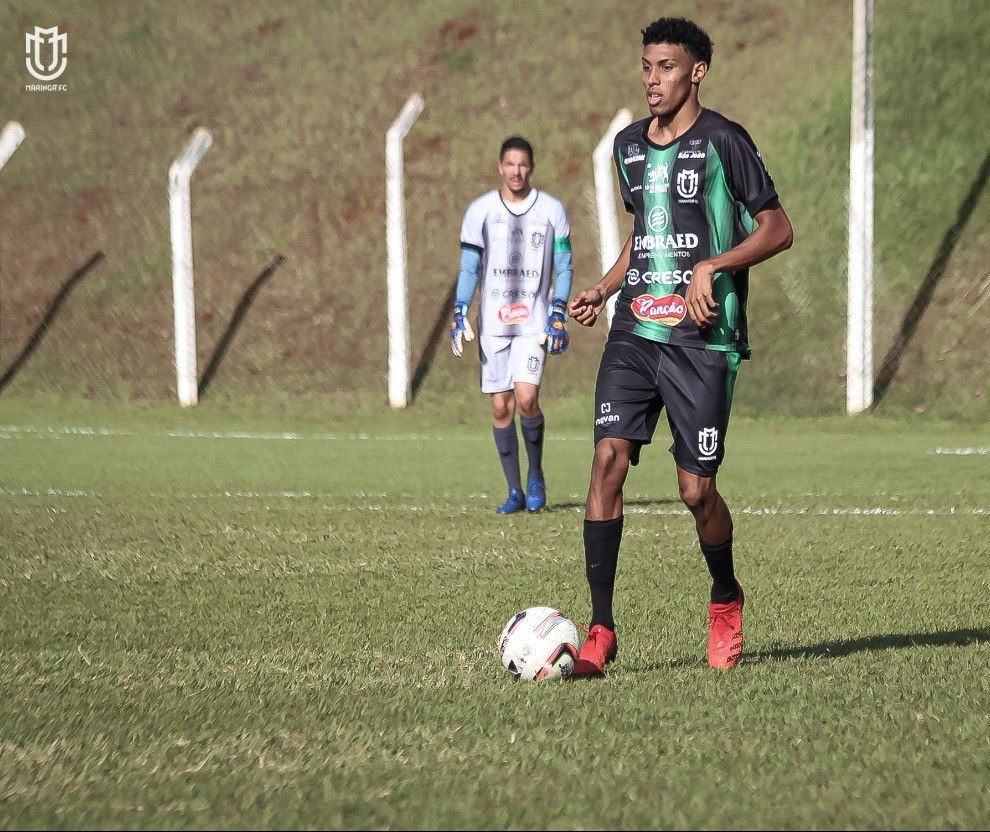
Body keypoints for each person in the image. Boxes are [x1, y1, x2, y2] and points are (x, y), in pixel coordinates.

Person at [567, 17, 793, 673]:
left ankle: (725, 595)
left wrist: (713, 267)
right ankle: (601, 629)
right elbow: (645, 231)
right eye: (645, 66)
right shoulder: (628, 146)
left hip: (702, 340)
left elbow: (778, 228)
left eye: (666, 67)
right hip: (636, 329)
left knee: (696, 492)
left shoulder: (726, 140)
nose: (652, 79)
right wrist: (607, 288)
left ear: (696, 71)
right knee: (607, 459)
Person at [450, 136, 574, 514]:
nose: (516, 171)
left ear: (531, 168)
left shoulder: (552, 210)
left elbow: (564, 265)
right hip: (493, 325)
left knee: (526, 399)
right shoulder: (480, 211)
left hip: (534, 324)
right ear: (500, 167)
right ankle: (514, 491)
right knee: (502, 408)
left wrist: (558, 312)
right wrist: (459, 310)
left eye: (523, 164)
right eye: (510, 164)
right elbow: (470, 267)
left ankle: (536, 475)